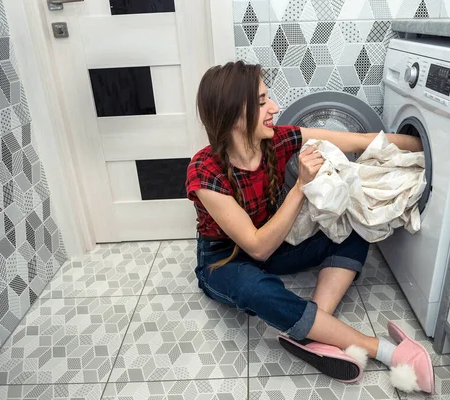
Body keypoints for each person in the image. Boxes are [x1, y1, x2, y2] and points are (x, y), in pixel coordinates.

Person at [185, 60, 434, 393]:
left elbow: (360, 140)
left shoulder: (277, 141)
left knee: (355, 225)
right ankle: (385, 350)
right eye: (261, 102)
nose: (274, 108)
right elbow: (257, 247)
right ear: (233, 114)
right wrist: (302, 184)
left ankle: (314, 337)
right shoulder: (204, 171)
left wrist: (430, 151)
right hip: (224, 259)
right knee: (255, 290)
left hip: (273, 241)